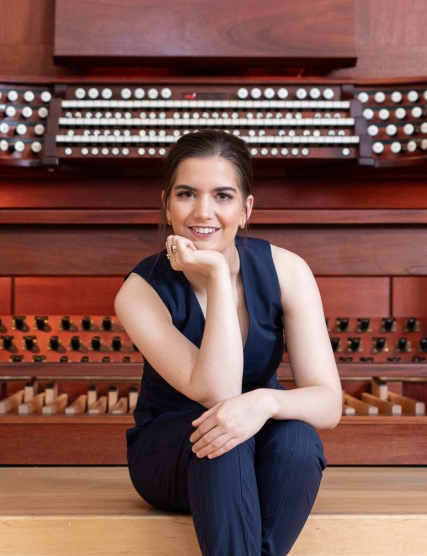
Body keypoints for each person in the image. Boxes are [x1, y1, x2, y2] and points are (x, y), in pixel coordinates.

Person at [115, 130, 342, 556]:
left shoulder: (288, 271)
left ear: (245, 208)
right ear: (167, 203)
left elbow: (329, 404)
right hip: (171, 448)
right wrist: (219, 275)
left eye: (222, 196)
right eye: (186, 194)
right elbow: (216, 392)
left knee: (299, 440)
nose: (203, 212)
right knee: (223, 440)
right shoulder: (140, 291)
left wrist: (266, 403)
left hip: (255, 431)